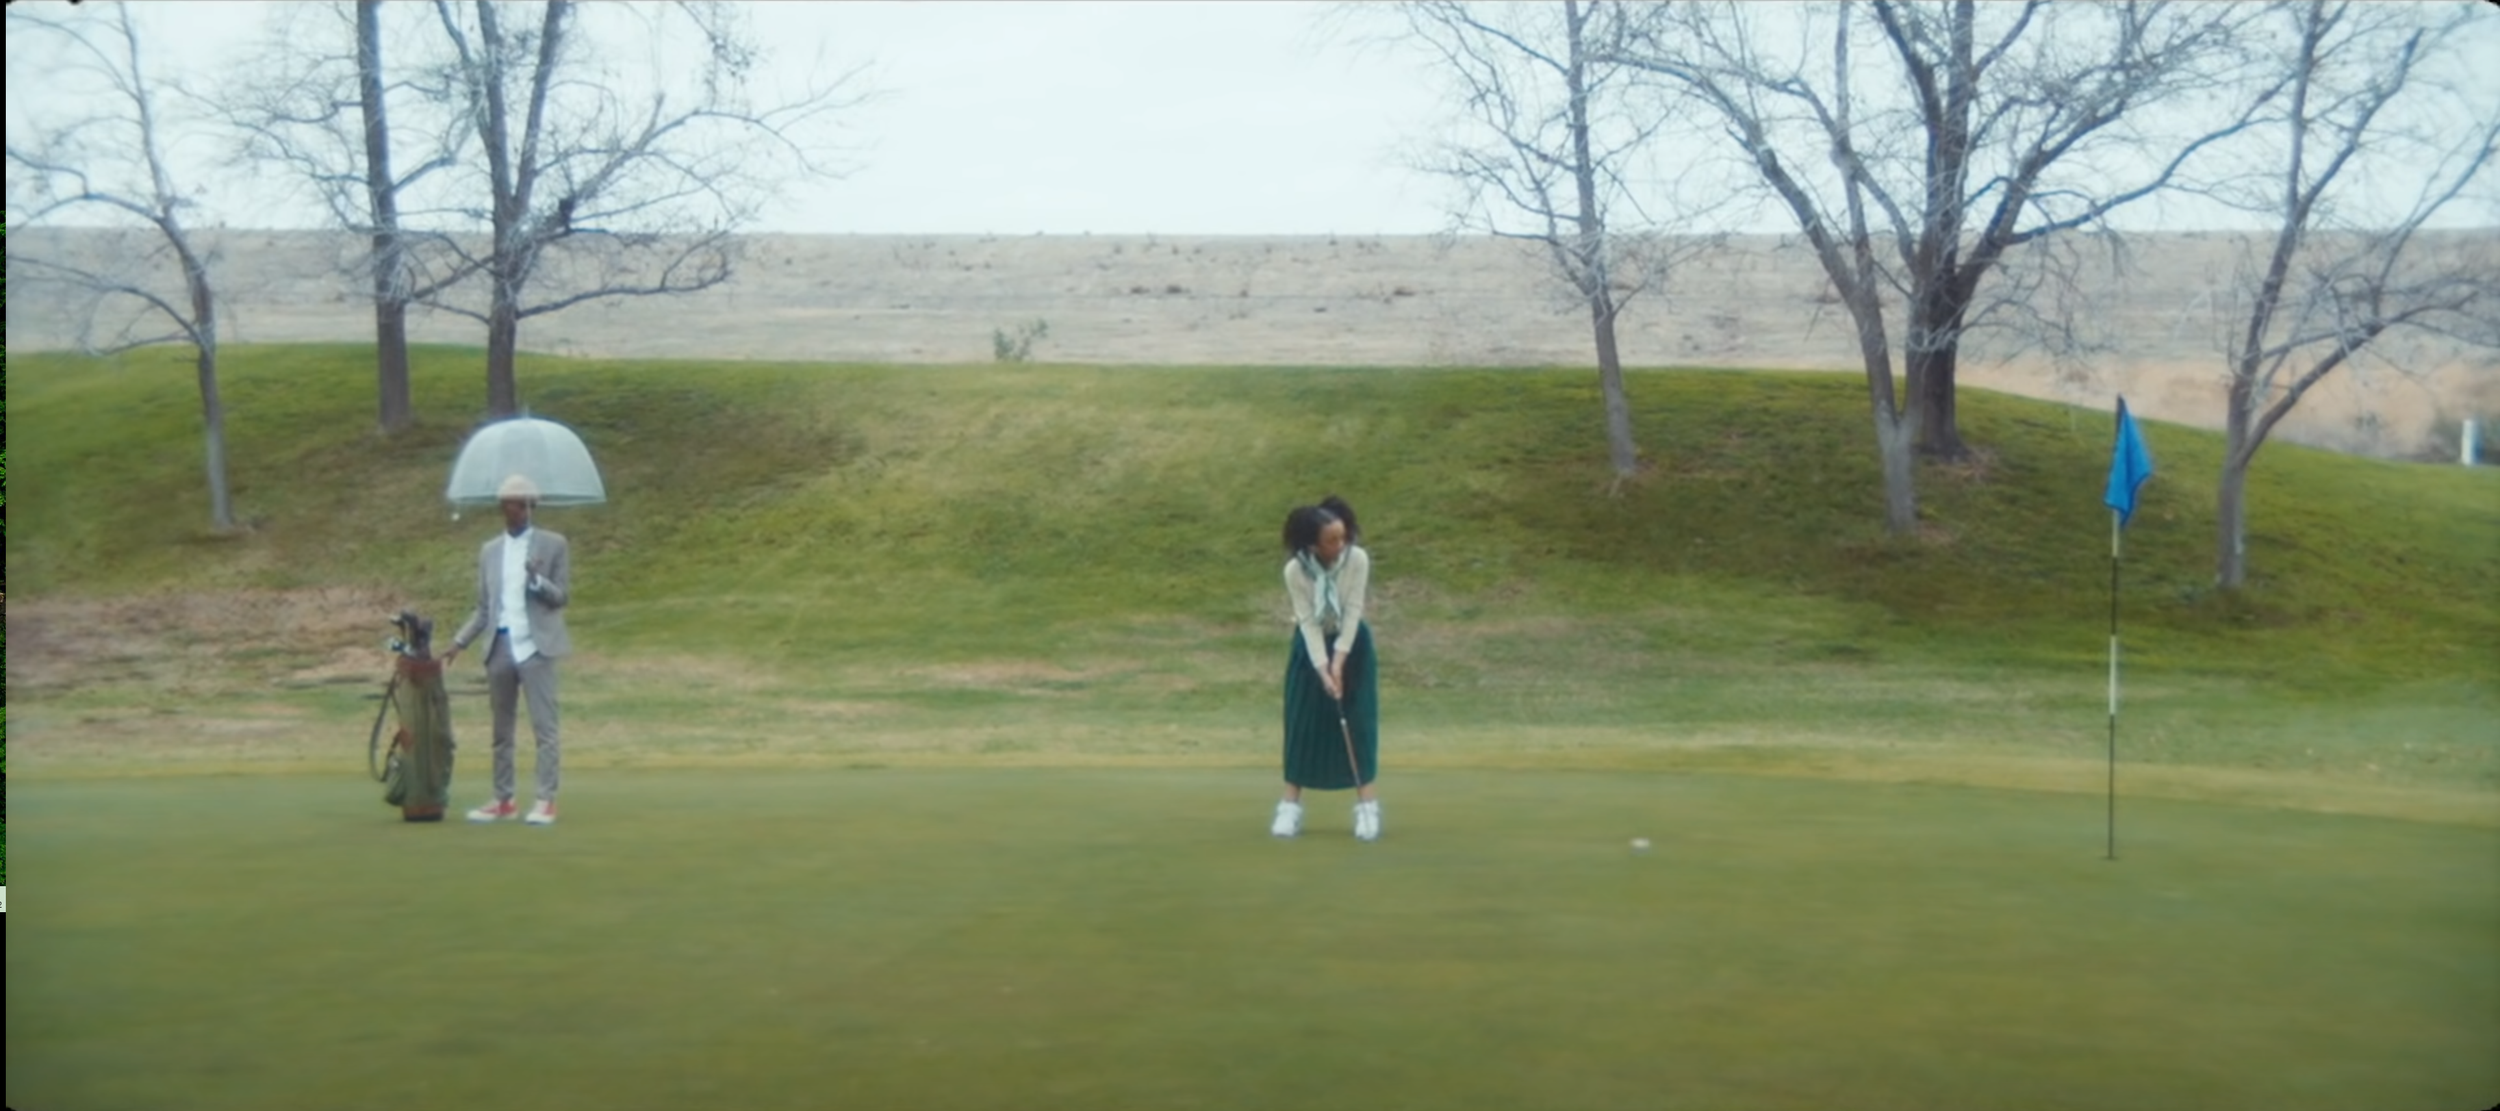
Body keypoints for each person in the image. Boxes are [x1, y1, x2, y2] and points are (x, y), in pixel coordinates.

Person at [444, 474, 572, 826]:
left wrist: (536, 580)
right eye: (506, 505)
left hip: (536, 646)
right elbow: (484, 607)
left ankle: (545, 800)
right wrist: (459, 642)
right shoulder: (490, 551)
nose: (511, 511)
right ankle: (503, 799)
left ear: (530, 506)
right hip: (500, 645)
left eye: (517, 505)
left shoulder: (553, 544)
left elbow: (562, 596)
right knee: (501, 732)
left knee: (545, 728)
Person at [1272, 495, 1382, 841]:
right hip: (1310, 650)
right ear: (1312, 545)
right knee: (1302, 725)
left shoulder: (1357, 560)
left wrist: (1340, 660)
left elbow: (1353, 610)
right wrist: (1323, 668)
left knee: (1358, 724)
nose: (1341, 544)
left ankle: (1367, 809)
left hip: (1353, 647)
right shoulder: (1295, 571)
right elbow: (1307, 621)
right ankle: (1289, 808)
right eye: (1332, 540)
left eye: (1343, 536)